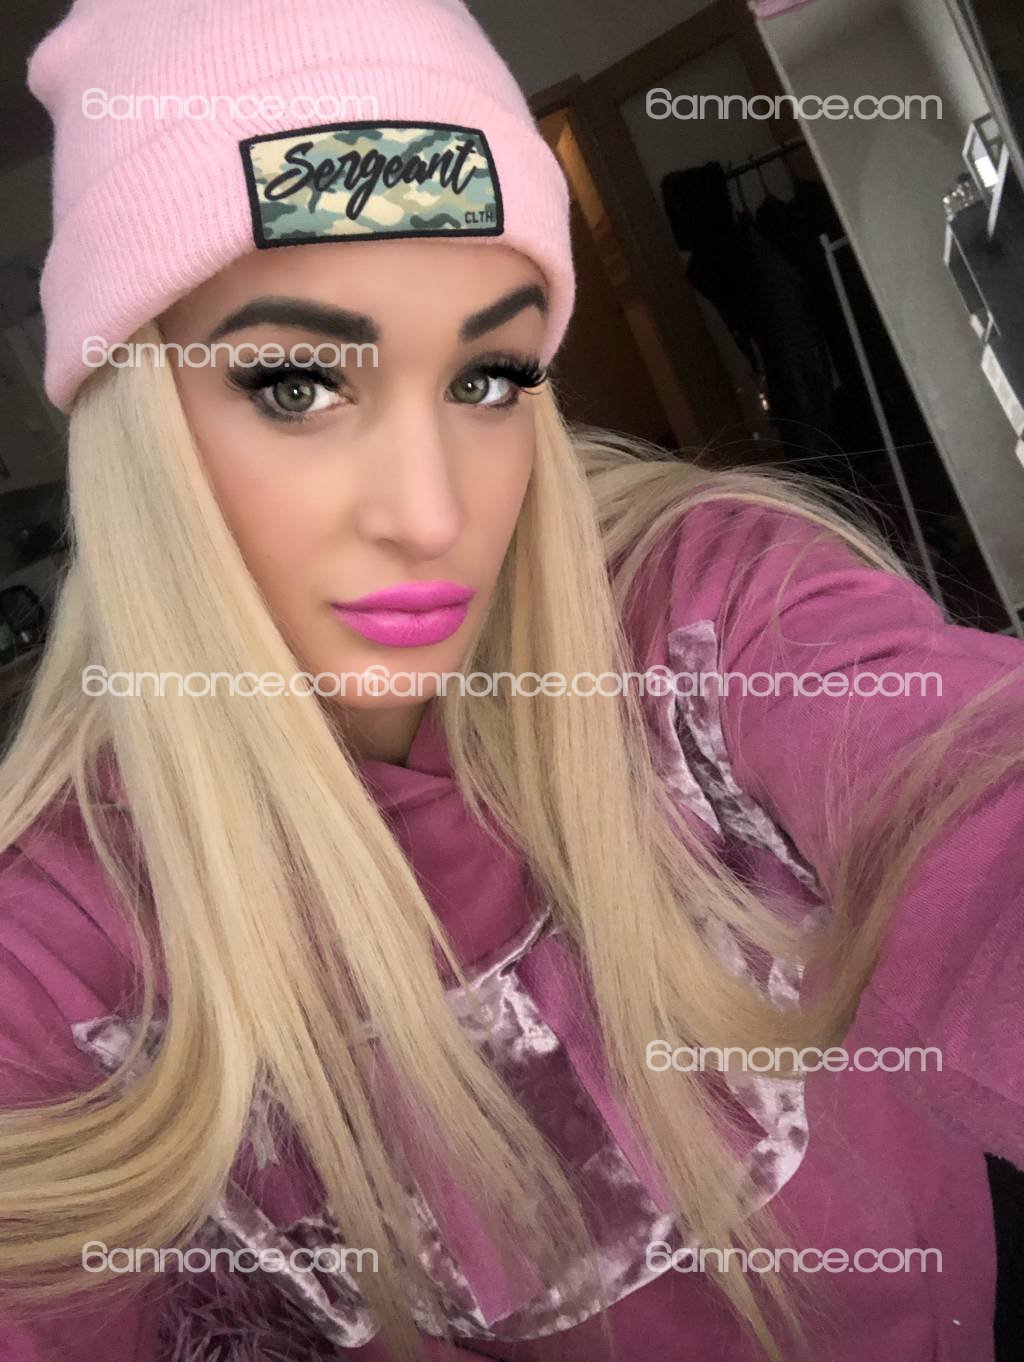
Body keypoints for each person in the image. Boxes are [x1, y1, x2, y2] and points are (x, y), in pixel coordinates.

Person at [2, 1, 1023, 1359]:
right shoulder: (70, 943)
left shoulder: (712, 617)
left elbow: (966, 790)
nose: (433, 513)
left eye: (487, 376)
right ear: (137, 425)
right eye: (298, 384)